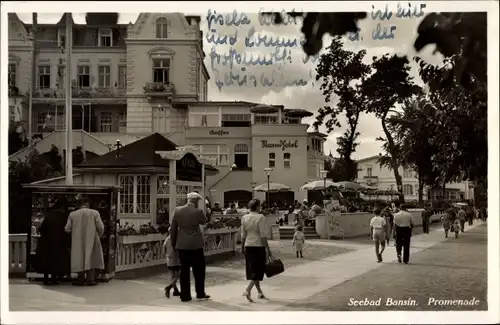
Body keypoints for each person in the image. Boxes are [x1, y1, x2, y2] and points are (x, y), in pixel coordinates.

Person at [170, 192, 210, 302]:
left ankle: (185, 295)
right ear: (196, 201)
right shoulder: (198, 212)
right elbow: (204, 221)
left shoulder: (177, 210)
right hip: (196, 244)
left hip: (182, 245)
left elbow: (173, 229)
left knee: (184, 271)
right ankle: (200, 293)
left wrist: (174, 244)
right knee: (199, 270)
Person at [64, 195, 105, 286]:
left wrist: (74, 233)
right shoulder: (95, 213)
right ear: (87, 204)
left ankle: (80, 279)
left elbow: (67, 228)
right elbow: (101, 227)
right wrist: (98, 235)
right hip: (92, 238)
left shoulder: (73, 214)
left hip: (77, 240)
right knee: (91, 258)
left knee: (79, 258)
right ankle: (90, 280)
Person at [241, 198, 273, 302]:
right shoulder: (261, 217)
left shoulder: (244, 217)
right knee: (259, 270)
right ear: (258, 206)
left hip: (248, 245)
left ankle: (259, 292)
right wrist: (268, 249)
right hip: (258, 246)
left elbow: (243, 234)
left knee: (253, 270)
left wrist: (242, 247)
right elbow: (263, 236)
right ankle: (248, 289)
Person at [37, 198, 71, 285]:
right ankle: (54, 279)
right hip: (59, 243)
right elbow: (66, 231)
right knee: (56, 261)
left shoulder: (49, 216)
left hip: (46, 242)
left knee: (46, 260)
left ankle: (45, 279)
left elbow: (41, 228)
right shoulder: (64, 218)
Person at [163, 227, 181, 298]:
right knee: (177, 276)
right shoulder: (176, 240)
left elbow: (164, 249)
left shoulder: (167, 239)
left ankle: (175, 290)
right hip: (175, 260)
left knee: (172, 276)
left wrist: (167, 255)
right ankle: (168, 287)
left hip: (169, 260)